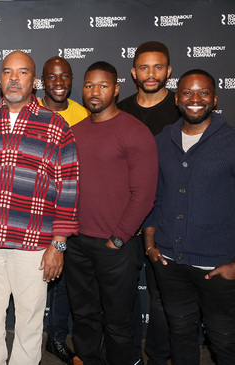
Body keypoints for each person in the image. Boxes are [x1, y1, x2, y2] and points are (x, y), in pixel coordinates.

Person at [0, 50, 79, 365]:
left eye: (22, 73)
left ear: (34, 81)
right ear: (0, 79)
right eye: (8, 72)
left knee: (30, 323)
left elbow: (68, 190)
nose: (14, 78)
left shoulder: (55, 126)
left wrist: (58, 245)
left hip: (35, 244)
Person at [66, 61, 158, 365]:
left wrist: (118, 239)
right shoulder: (74, 132)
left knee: (118, 323)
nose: (95, 92)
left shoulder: (134, 131)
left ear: (116, 90)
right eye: (90, 85)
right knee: (83, 316)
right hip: (77, 243)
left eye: (103, 86)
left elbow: (144, 195)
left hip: (115, 246)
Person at [143, 69, 235, 364]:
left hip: (219, 266)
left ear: (215, 99)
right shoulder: (162, 141)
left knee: (224, 340)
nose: (195, 99)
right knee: (180, 336)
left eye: (203, 93)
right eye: (187, 93)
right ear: (177, 99)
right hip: (170, 263)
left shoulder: (231, 142)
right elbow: (154, 197)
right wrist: (150, 244)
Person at [117, 41, 180, 365]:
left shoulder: (182, 110)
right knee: (123, 295)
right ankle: (129, 357)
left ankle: (157, 356)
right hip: (125, 219)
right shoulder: (122, 110)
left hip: (166, 218)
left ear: (169, 71)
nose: (151, 74)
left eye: (158, 67)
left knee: (161, 298)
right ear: (133, 72)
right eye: (144, 67)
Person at [38, 55, 89, 365]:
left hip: (70, 214)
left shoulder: (83, 115)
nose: (59, 82)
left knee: (64, 284)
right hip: (33, 215)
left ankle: (56, 337)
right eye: (52, 77)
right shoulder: (30, 110)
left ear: (72, 79)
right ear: (42, 81)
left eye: (65, 76)